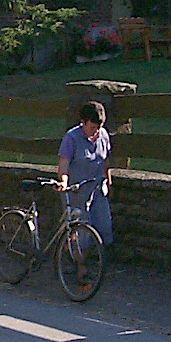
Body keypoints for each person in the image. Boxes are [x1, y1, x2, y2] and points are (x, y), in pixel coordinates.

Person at [58, 100, 113, 279]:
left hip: (96, 190)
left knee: (104, 227)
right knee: (82, 233)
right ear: (83, 122)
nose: (96, 131)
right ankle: (80, 268)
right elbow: (64, 165)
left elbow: (105, 161)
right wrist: (63, 182)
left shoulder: (103, 136)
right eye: (92, 127)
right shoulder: (71, 138)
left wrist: (108, 180)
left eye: (98, 127)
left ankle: (79, 256)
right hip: (77, 192)